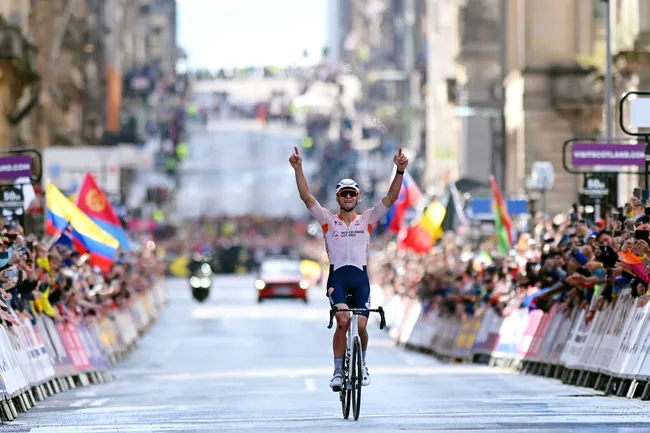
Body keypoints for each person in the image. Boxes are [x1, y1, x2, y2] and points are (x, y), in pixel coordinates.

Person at [289, 145, 408, 391]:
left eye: (352, 194)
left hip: (361, 279)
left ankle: (362, 365)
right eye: (343, 194)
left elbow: (391, 197)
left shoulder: (367, 220)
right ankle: (337, 372)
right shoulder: (327, 221)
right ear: (338, 198)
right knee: (343, 320)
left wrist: (399, 171)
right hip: (338, 280)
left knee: (362, 325)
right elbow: (307, 198)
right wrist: (298, 169)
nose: (348, 197)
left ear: (357, 197)